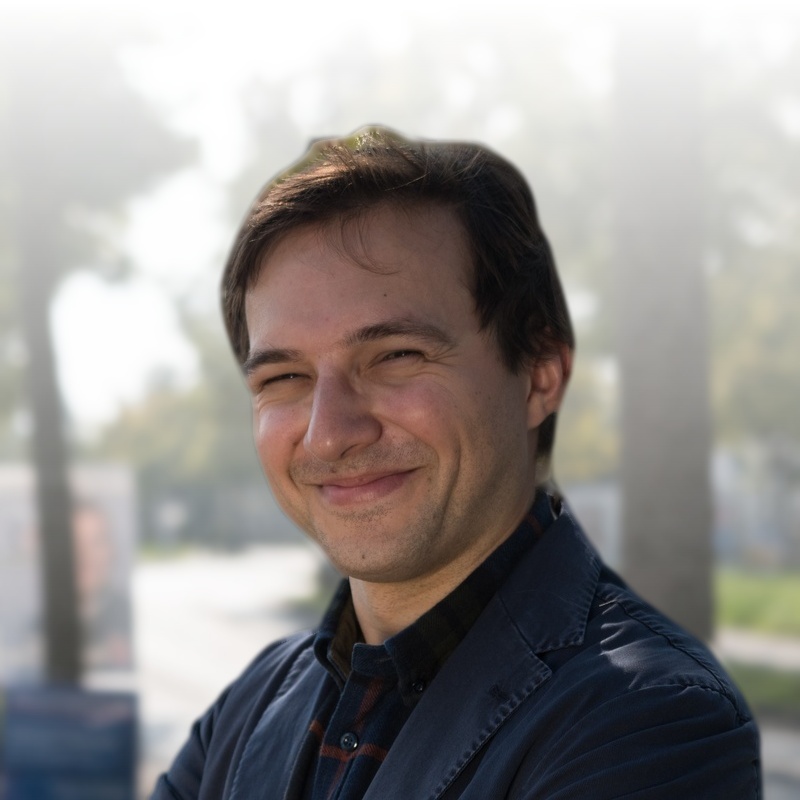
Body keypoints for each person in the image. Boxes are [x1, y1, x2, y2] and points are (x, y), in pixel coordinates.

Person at [152, 127, 761, 799]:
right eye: (284, 377)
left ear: (539, 376)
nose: (328, 437)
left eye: (395, 356)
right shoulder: (249, 708)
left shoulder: (653, 720)